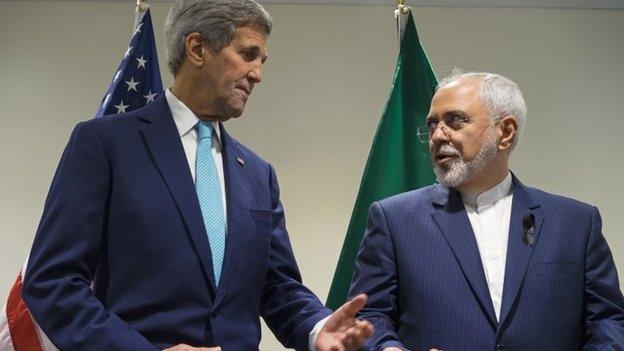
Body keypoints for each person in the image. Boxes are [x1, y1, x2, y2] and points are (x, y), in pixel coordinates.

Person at [21, 0, 373, 350]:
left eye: (262, 61)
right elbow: (52, 281)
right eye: (248, 54)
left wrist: (317, 328)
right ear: (197, 48)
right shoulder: (105, 145)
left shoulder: (258, 174)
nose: (258, 74)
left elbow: (277, 285)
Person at [349, 71, 624, 350]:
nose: (437, 136)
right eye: (432, 125)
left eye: (455, 121)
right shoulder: (393, 220)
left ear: (505, 132)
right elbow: (368, 317)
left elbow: (608, 321)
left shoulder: (576, 223)